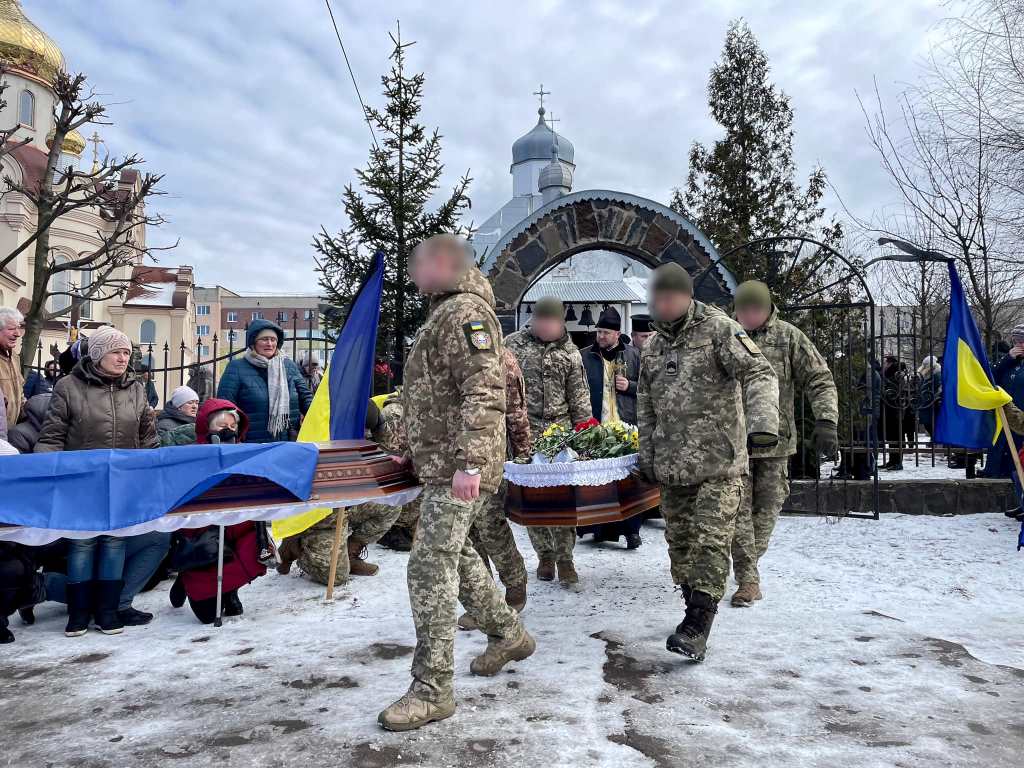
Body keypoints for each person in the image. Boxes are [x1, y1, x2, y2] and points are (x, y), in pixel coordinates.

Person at [378, 234, 534, 732]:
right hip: (442, 464)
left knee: (429, 566)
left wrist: (470, 463)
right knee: (458, 557)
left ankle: (433, 689)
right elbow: (431, 395)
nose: (412, 274)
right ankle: (508, 633)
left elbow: (484, 390)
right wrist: (411, 447)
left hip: (459, 468)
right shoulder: (443, 312)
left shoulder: (466, 312)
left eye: (418, 264)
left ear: (444, 264)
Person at [636, 263, 779, 662]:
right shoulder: (653, 347)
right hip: (673, 467)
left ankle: (698, 624)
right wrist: (648, 456)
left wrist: (763, 423)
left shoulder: (719, 330)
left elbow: (759, 372)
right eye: (658, 298)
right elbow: (646, 407)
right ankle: (692, 610)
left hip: (720, 464)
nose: (663, 304)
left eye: (670, 297)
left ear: (687, 296)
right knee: (681, 547)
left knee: (711, 541)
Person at [35, 325, 159, 637]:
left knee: (115, 542)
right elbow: (52, 435)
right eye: (116, 352)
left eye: (126, 353)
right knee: (83, 543)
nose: (123, 358)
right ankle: (78, 613)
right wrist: (47, 475)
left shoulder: (136, 388)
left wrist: (150, 475)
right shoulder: (69, 386)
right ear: (98, 354)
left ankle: (107, 611)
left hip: (123, 481)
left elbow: (148, 438)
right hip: (81, 481)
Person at [728, 281, 838, 607]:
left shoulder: (788, 337)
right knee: (738, 512)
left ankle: (747, 563)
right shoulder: (725, 336)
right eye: (744, 310)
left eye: (756, 309)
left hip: (776, 442)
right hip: (733, 444)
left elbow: (819, 378)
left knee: (768, 508)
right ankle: (748, 580)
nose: (749, 315)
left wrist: (826, 421)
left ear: (768, 309)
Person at [505, 296, 593, 586]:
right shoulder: (512, 345)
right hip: (524, 434)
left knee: (563, 500)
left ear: (561, 323)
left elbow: (579, 400)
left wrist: (585, 438)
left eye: (550, 322)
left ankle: (565, 559)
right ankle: (544, 555)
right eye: (540, 321)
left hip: (560, 436)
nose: (544, 327)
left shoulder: (570, 353)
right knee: (533, 500)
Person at [280, 399, 411, 581]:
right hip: (322, 513)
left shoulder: (366, 424)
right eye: (362, 431)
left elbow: (390, 454)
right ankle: (296, 546)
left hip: (350, 503)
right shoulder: (322, 434)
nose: (365, 435)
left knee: (390, 506)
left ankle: (350, 552)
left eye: (367, 432)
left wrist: (379, 427)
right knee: (337, 577)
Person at [170, 398, 267, 624]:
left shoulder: (244, 456)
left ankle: (230, 590)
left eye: (233, 427)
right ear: (208, 428)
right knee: (206, 617)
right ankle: (186, 577)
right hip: (202, 539)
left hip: (237, 533)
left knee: (254, 550)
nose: (228, 431)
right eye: (222, 426)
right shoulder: (191, 457)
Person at [459, 345, 532, 629]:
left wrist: (524, 455)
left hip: (489, 456)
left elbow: (516, 412)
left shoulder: (500, 356)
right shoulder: (447, 348)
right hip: (452, 456)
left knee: (490, 526)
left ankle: (515, 582)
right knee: (468, 533)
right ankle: (483, 600)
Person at [580, 306, 643, 548]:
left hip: (627, 428)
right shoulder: (585, 356)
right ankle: (599, 529)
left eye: (606, 332)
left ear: (617, 334)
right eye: (599, 332)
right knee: (598, 484)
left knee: (628, 484)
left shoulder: (634, 355)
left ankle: (631, 531)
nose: (601, 336)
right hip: (597, 428)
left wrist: (630, 386)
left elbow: (650, 388)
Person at [217, 319, 313, 443]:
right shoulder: (236, 367)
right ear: (253, 343)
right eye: (264, 339)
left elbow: (306, 397)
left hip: (288, 443)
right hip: (251, 444)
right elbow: (225, 406)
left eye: (273, 340)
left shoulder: (289, 366)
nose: (269, 343)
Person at [981, 326, 1024, 480]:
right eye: (1016, 340)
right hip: (1003, 419)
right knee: (998, 464)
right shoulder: (1007, 361)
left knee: (1017, 468)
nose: (1019, 344)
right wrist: (1007, 359)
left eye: (1022, 340)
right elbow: (989, 379)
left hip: (1021, 421)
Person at [880, 355, 909, 470]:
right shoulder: (893, 374)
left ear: (890, 363)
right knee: (893, 436)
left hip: (895, 409)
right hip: (893, 409)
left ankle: (897, 462)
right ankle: (893, 460)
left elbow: (892, 391)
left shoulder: (895, 375)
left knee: (896, 435)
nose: (884, 364)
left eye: (886, 362)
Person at [0, 306, 25, 431]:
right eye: (11, 329)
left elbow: (20, 393)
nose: (17, 334)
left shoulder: (14, 357)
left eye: (18, 327)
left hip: (10, 431)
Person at [915, 355, 942, 437]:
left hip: (932, 406)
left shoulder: (937, 375)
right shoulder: (929, 375)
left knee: (932, 427)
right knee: (930, 427)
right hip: (927, 406)